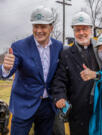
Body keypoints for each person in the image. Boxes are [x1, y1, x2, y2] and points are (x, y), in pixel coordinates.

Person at [0, 6, 63, 135]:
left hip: (47, 106)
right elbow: (8, 71)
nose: (39, 30)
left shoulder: (58, 46)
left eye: (43, 26)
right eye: (36, 26)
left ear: (51, 28)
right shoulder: (19, 46)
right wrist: (6, 68)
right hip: (24, 105)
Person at [51, 11, 101, 135]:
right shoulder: (66, 54)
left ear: (91, 29)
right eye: (77, 30)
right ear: (73, 31)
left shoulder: (100, 49)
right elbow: (59, 79)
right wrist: (60, 96)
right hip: (78, 111)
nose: (81, 33)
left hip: (101, 106)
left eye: (84, 29)